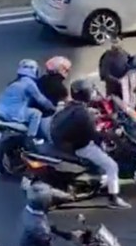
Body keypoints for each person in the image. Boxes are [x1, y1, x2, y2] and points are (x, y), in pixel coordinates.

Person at [49, 79, 130, 209]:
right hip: (80, 147)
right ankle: (113, 198)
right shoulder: (83, 114)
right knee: (112, 165)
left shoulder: (69, 106)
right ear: (86, 94)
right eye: (91, 91)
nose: (93, 93)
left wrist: (93, 116)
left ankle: (99, 179)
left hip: (63, 143)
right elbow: (92, 135)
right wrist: (109, 136)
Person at [0, 59, 56, 140]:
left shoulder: (14, 82)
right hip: (14, 112)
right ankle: (31, 138)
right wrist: (52, 108)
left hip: (1, 110)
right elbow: (41, 100)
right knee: (36, 114)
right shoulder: (29, 83)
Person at [98, 34, 132, 103]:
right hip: (112, 90)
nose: (114, 45)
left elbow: (130, 67)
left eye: (116, 42)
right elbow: (105, 74)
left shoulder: (125, 54)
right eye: (113, 42)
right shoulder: (107, 57)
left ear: (122, 42)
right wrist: (118, 81)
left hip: (124, 89)